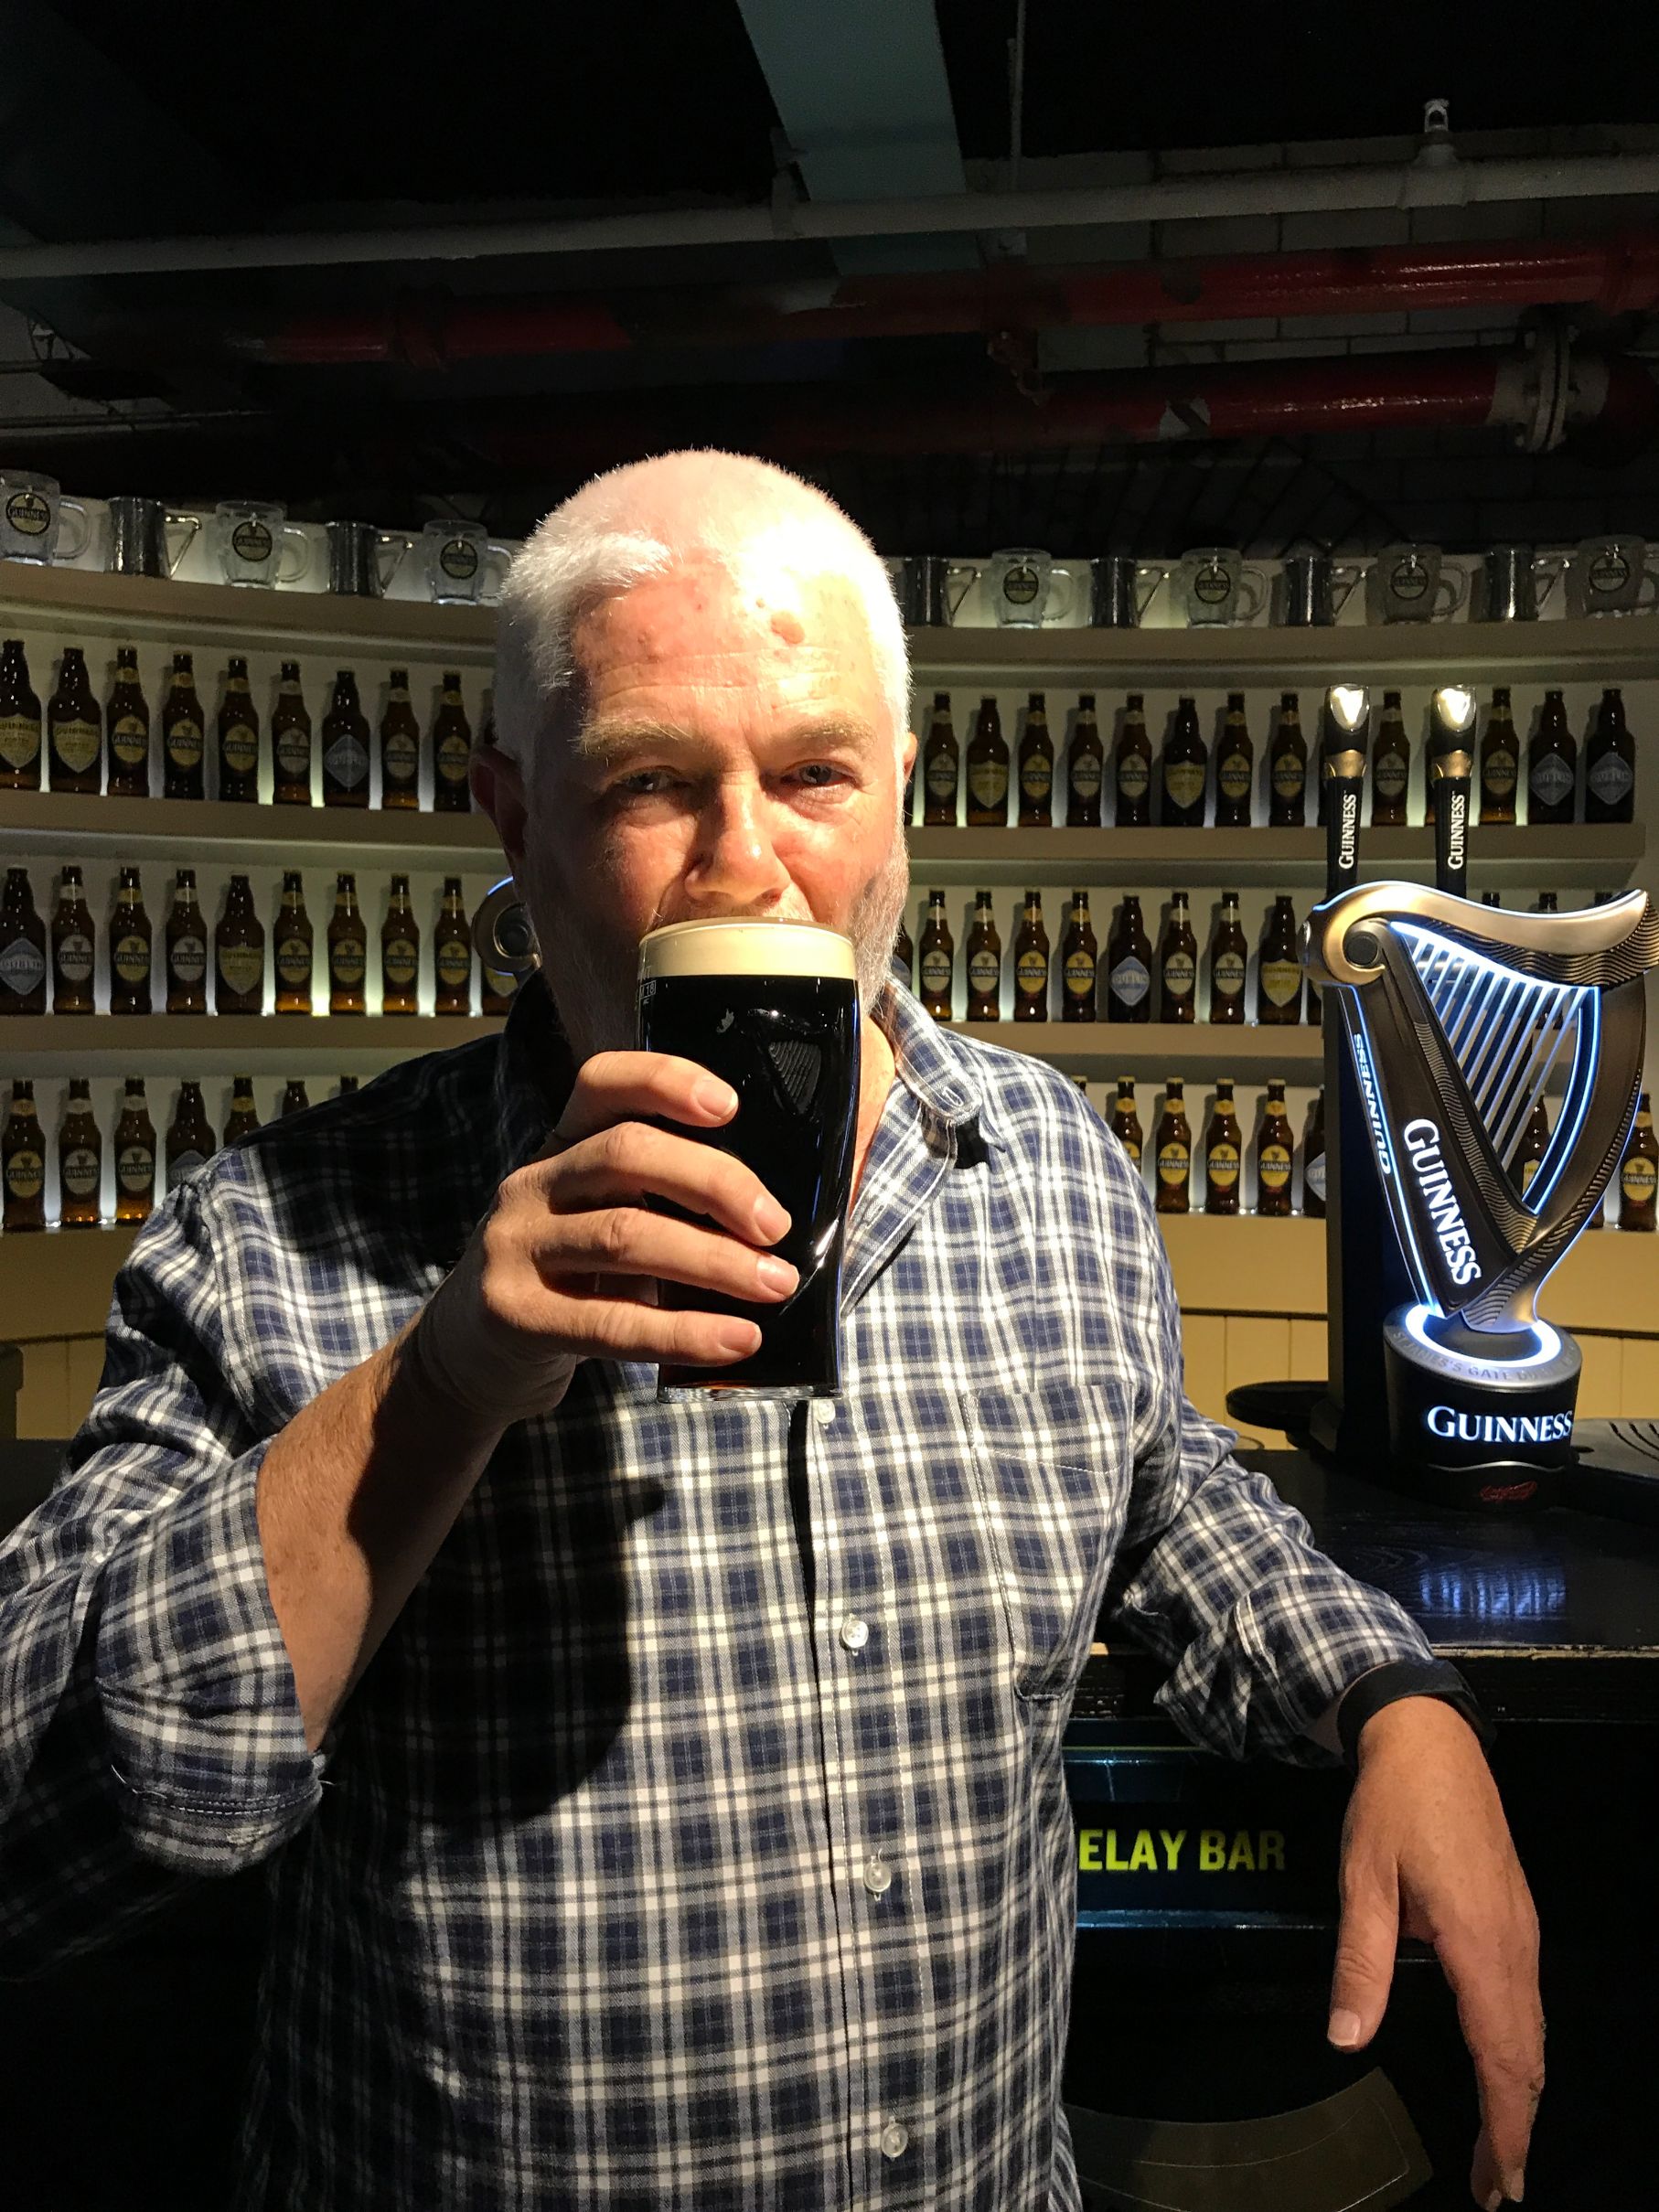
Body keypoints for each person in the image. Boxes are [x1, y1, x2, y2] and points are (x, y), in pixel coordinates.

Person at [0, 451, 1540, 2212]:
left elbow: (1158, 1483)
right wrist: (442, 1386)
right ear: (513, 818)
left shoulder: (1045, 1157)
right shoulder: (272, 1230)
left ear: (902, 794)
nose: (747, 867)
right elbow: (46, 1835)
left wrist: (1391, 1698)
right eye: (651, 783)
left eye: (813, 773)